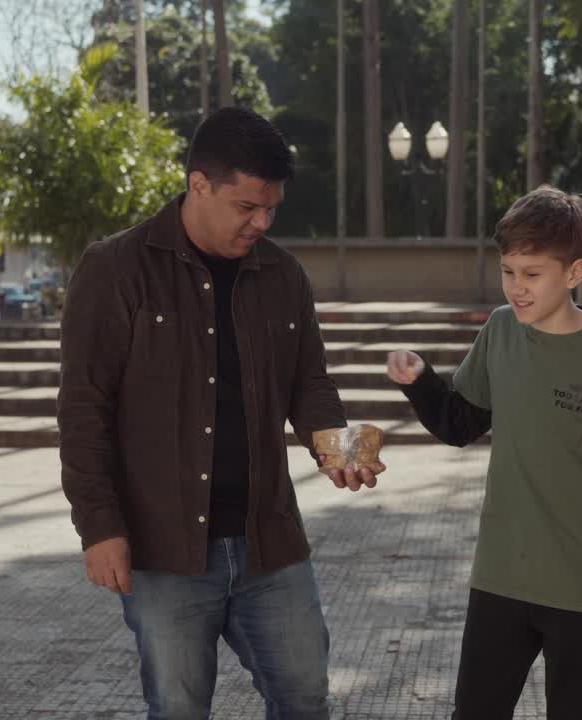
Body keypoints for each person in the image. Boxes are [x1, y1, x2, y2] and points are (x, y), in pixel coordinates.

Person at [58, 107, 383, 720]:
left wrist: (333, 448)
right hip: (164, 550)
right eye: (246, 207)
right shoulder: (115, 269)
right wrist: (99, 527)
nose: (262, 222)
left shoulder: (282, 275)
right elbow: (84, 410)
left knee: (306, 697)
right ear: (198, 184)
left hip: (270, 541)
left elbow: (309, 382)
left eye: (272, 209)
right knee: (177, 708)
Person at [386, 186, 582, 720]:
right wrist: (419, 382)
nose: (517, 289)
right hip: (501, 574)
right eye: (509, 272)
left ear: (574, 273)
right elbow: (460, 424)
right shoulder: (501, 332)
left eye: (532, 274)